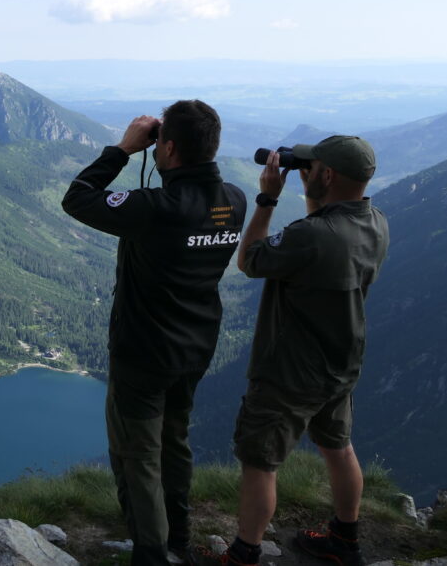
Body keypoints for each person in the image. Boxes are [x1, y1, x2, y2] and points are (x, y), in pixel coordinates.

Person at [62, 100, 247, 565]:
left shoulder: (157, 207)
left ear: (167, 147)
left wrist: (123, 149)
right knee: (174, 441)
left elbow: (78, 197)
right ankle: (178, 539)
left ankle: (150, 554)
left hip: (143, 352)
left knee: (136, 454)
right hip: (196, 347)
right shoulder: (234, 201)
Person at [190, 136, 389, 566]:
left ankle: (244, 553)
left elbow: (250, 260)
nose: (306, 170)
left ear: (328, 174)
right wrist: (313, 190)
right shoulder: (375, 221)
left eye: (311, 166)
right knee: (339, 447)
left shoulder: (310, 235)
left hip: (289, 371)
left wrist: (266, 197)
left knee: (260, 462)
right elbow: (327, 226)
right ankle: (345, 539)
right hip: (341, 362)